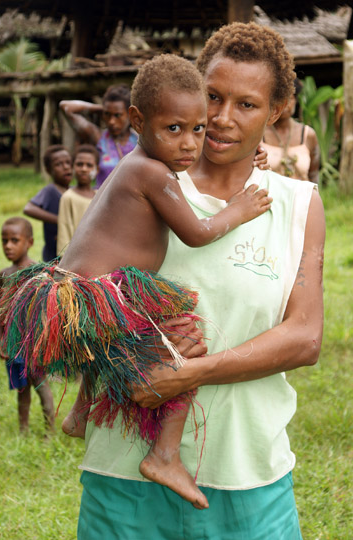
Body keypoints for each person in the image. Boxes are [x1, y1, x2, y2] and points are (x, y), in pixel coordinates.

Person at [74, 22, 325, 540]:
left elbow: (305, 337)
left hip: (246, 472)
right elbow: (80, 298)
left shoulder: (297, 203)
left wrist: (191, 372)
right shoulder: (144, 180)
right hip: (124, 472)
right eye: (212, 97)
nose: (221, 119)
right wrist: (135, 359)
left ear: (277, 111)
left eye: (247, 104)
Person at [0, 54, 271, 511]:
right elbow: (196, 232)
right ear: (137, 120)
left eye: (198, 130)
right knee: (187, 340)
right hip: (91, 299)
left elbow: (182, 147)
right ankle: (165, 456)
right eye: (174, 129)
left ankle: (83, 410)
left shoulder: (138, 160)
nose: (189, 143)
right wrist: (238, 208)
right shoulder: (151, 171)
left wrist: (252, 153)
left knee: (117, 338)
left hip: (72, 294)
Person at [0, 217, 55, 434]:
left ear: (29, 242)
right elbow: (1, 309)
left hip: (33, 341)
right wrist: (1, 338)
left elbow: (45, 309)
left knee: (41, 386)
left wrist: (43, 341)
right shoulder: (4, 275)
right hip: (13, 342)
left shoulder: (37, 272)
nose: (8, 246)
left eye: (14, 240)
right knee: (21, 389)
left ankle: (50, 433)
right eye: (4, 241)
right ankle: (23, 430)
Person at [60, 84, 138, 187]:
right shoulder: (99, 138)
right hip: (103, 201)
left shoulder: (139, 140)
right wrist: (100, 108)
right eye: (107, 114)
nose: (111, 121)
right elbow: (65, 107)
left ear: (129, 114)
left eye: (117, 115)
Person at [262, 78, 320, 183]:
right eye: (280, 99)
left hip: (302, 197)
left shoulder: (308, 135)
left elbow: (314, 176)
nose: (285, 104)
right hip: (269, 197)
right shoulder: (259, 135)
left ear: (296, 100)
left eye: (291, 98)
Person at [24, 145, 73, 261]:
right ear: (48, 170)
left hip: (71, 251)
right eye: (58, 164)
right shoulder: (50, 191)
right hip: (53, 255)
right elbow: (29, 208)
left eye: (68, 162)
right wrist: (59, 220)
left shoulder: (74, 191)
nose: (65, 167)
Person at [57, 144, 99, 254]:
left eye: (89, 165)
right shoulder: (68, 197)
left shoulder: (100, 196)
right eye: (80, 164)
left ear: (97, 169)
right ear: (72, 167)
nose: (84, 169)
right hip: (75, 257)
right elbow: (64, 230)